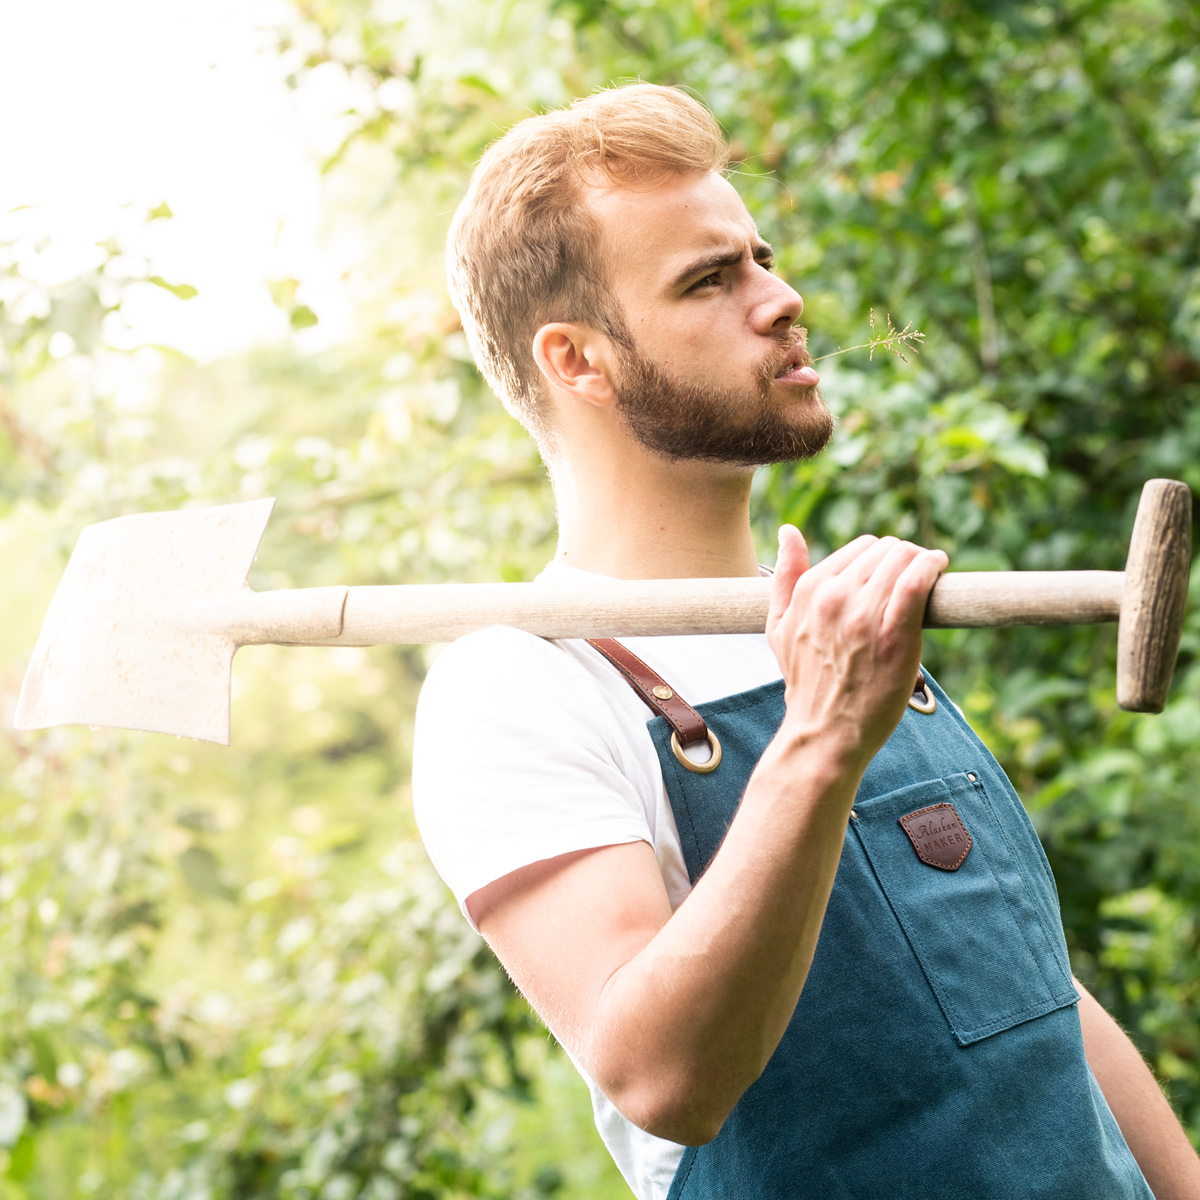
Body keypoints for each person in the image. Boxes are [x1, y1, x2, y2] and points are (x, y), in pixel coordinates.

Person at [412, 83, 1200, 1199]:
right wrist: (822, 733)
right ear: (578, 361)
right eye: (709, 279)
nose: (781, 300)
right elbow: (660, 1072)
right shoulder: (522, 688)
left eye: (761, 257)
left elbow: (1030, 995)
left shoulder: (847, 627)